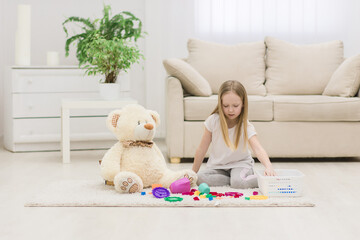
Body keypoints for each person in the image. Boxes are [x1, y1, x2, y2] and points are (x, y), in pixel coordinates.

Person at [192, 80, 275, 189]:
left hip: (240, 165)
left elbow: (258, 149)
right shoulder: (213, 121)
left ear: (243, 103)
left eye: (235, 105)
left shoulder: (245, 125)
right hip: (219, 167)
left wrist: (268, 167)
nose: (230, 110)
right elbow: (201, 149)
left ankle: (260, 178)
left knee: (238, 183)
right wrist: (192, 173)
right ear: (220, 103)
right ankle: (234, 179)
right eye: (226, 105)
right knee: (199, 178)